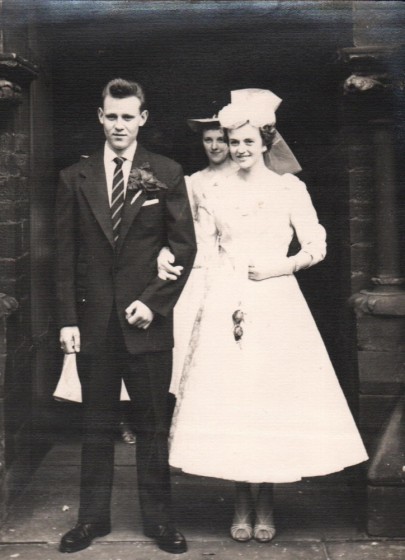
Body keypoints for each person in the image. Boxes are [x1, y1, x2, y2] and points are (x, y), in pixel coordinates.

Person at [167, 89, 368, 544]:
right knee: (235, 399)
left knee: (271, 399)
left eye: (247, 142)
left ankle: (267, 500)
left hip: (277, 299)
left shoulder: (288, 187)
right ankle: (241, 498)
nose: (238, 149)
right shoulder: (212, 189)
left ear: (265, 142)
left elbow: (316, 244)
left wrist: (281, 266)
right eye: (233, 142)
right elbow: (197, 246)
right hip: (225, 299)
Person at [55, 78, 196, 554]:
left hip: (145, 324)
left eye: (127, 116)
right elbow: (64, 256)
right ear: (100, 117)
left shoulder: (167, 173)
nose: (119, 125)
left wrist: (152, 302)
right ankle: (91, 521)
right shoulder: (75, 177)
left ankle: (160, 523)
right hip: (94, 323)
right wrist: (67, 320)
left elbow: (183, 247)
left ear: (142, 118)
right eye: (111, 116)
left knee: (153, 424)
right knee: (95, 426)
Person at [158, 113, 238, 396]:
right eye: (208, 140)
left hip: (232, 268)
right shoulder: (193, 182)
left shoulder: (245, 179)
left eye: (221, 140)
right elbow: (180, 228)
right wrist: (167, 248)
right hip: (198, 268)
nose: (215, 146)